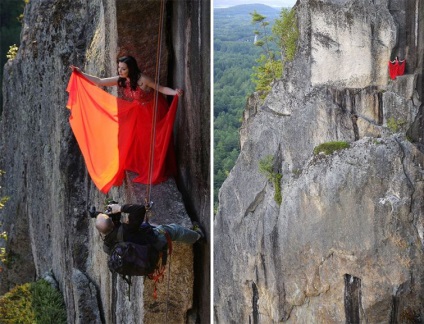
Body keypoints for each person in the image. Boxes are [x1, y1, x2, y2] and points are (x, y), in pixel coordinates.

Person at [66, 56, 183, 193]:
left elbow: (161, 89)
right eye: (119, 68)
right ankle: (145, 165)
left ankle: (157, 167)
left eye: (123, 69)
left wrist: (175, 92)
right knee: (139, 141)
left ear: (130, 68)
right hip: (138, 111)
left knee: (153, 140)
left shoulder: (143, 80)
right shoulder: (121, 80)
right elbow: (100, 81)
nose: (120, 71)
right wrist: (80, 73)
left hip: (153, 111)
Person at [95, 203, 204, 254]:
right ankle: (198, 237)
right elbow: (139, 209)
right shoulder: (126, 230)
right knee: (174, 230)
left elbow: (106, 225)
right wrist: (119, 208)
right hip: (153, 243)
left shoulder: (108, 244)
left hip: (140, 251)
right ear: (112, 223)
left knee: (147, 226)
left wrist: (97, 214)